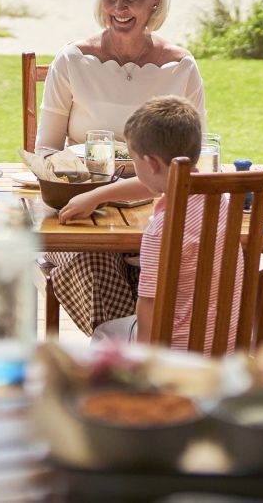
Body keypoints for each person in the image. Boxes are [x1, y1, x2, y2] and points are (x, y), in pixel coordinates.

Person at [39, 0, 206, 335]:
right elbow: (46, 151)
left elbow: (189, 167)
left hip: (157, 214)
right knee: (98, 266)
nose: (120, 9)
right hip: (81, 210)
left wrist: (112, 188)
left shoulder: (180, 67)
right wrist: (90, 184)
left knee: (180, 264)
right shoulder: (71, 60)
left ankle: (129, 354)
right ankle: (132, 358)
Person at [94, 96, 241, 351]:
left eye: (134, 159)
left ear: (150, 163)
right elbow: (158, 183)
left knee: (104, 332)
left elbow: (149, 305)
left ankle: (123, 390)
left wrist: (143, 364)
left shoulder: (162, 229)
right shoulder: (222, 202)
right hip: (223, 345)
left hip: (174, 353)